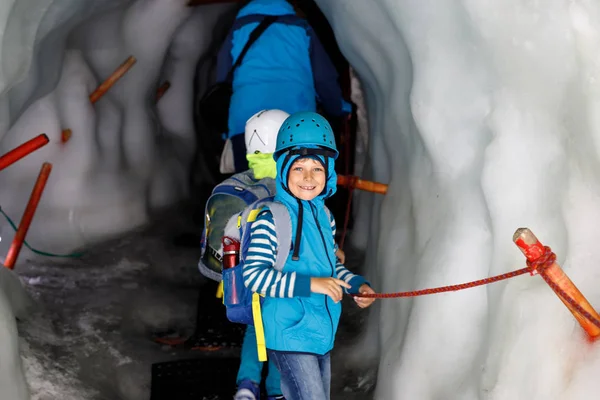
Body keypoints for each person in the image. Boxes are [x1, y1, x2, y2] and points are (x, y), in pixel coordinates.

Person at [242, 111, 376, 399]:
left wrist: (356, 285)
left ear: (328, 172)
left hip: (319, 331)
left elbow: (331, 268)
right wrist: (311, 284)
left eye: (317, 168)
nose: (308, 177)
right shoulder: (271, 219)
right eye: (298, 168)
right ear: (283, 167)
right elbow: (254, 276)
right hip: (288, 332)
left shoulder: (324, 216)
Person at [216, 0, 352, 172]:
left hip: (245, 125)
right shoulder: (302, 29)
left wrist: (227, 127)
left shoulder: (237, 29)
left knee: (250, 190)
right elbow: (324, 79)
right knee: (298, 189)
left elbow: (222, 80)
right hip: (296, 124)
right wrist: (339, 109)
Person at [232, 109, 289, 400]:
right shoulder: (294, 185)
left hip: (252, 277)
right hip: (286, 277)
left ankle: (247, 385)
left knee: (256, 330)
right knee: (282, 335)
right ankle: (278, 391)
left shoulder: (245, 185)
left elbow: (231, 230)